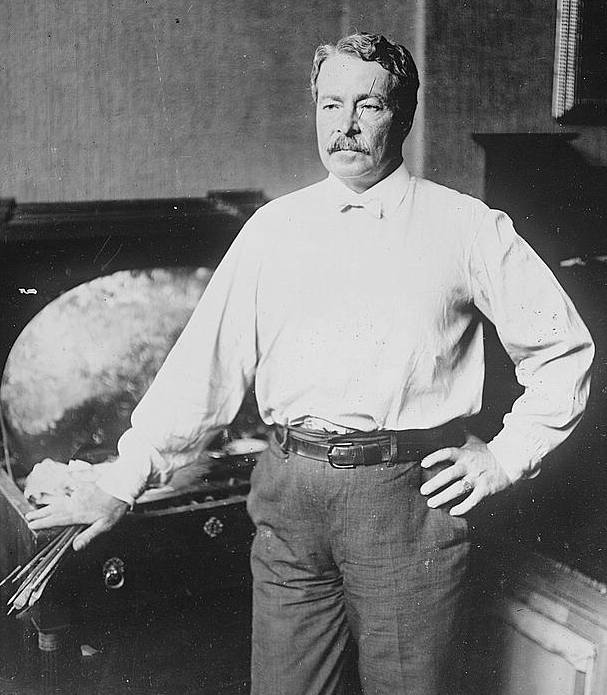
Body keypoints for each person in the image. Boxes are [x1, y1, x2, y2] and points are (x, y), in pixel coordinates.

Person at [27, 32, 594, 695]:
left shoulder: (466, 227)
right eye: (330, 105)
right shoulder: (274, 228)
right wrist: (123, 479)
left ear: (403, 115)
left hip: (404, 504)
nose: (345, 125)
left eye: (367, 105)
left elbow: (563, 351)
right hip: (288, 497)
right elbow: (204, 367)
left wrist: (504, 457)